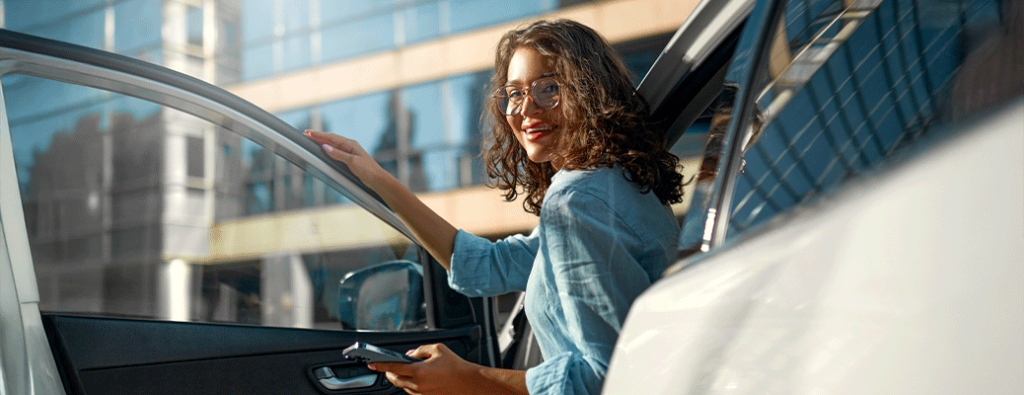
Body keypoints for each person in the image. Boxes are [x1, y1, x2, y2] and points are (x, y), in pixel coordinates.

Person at [305, 19, 684, 395]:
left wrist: (468, 378)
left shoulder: (579, 201)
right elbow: (485, 266)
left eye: (549, 88)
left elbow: (603, 380)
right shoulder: (614, 185)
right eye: (514, 93)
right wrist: (377, 178)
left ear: (589, 92)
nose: (525, 108)